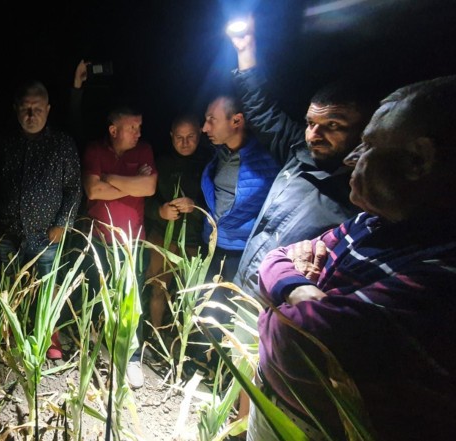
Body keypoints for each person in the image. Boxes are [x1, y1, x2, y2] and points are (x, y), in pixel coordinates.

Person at [251, 75, 456, 441]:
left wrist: (283, 301)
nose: (351, 159)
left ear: (417, 160)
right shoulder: (371, 221)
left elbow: (297, 340)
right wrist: (300, 292)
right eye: (311, 124)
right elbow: (275, 259)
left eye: (366, 145)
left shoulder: (443, 271)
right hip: (278, 402)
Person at [226, 19, 375, 297]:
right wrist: (245, 51)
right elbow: (262, 112)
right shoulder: (299, 151)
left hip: (286, 312)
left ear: (365, 131)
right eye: (310, 123)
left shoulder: (365, 195)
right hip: (243, 288)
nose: (315, 134)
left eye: (333, 126)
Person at [0, 79, 82, 359]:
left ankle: (49, 335)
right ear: (16, 109)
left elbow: (74, 187)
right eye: (26, 108)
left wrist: (63, 223)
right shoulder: (3, 144)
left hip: (46, 235)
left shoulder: (62, 144)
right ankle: (3, 329)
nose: (31, 115)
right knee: (5, 286)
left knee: (47, 288)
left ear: (48, 109)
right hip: (7, 234)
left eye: (37, 108)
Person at [82, 105, 157, 389]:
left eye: (140, 127)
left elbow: (149, 188)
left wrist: (110, 178)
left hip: (132, 241)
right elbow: (93, 190)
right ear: (113, 130)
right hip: (100, 240)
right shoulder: (94, 149)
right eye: (132, 127)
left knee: (132, 300)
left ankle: (132, 356)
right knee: (97, 294)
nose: (139, 133)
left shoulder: (145, 150)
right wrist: (132, 183)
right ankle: (98, 348)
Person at [200, 94, 279, 284]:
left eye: (212, 120)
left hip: (242, 252)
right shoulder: (219, 153)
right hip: (212, 244)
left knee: (235, 309)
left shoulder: (266, 160)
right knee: (206, 307)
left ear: (236, 120)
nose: (204, 128)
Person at [143, 113, 208, 334]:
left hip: (194, 241)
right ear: (171, 136)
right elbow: (143, 202)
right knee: (158, 290)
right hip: (163, 237)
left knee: (191, 294)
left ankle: (184, 344)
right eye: (179, 137)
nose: (185, 143)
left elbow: (220, 206)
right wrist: (160, 211)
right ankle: (155, 337)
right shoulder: (160, 162)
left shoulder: (209, 163)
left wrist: (195, 206)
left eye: (190, 136)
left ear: (200, 133)